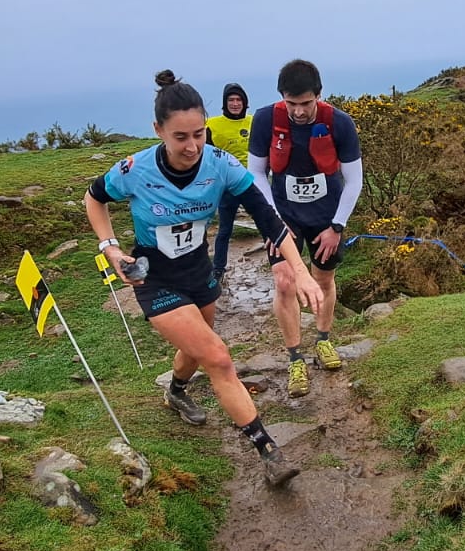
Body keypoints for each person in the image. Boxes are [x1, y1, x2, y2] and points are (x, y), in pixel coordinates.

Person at [85, 70, 324, 487]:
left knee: (197, 353)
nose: (192, 146)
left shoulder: (219, 166)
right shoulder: (134, 170)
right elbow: (94, 199)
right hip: (155, 279)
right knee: (218, 357)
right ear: (158, 130)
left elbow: (269, 219)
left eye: (198, 133)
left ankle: (176, 390)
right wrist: (111, 247)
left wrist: (300, 272)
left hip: (197, 270)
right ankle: (268, 451)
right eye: (180, 137)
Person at [247, 59, 363, 397]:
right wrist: (272, 219)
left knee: (323, 278)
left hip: (327, 215)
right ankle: (295, 357)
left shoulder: (340, 123)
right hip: (283, 214)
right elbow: (256, 172)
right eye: (291, 103)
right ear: (282, 97)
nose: (298, 111)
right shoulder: (266, 119)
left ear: (319, 96)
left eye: (306, 103)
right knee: (285, 282)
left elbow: (354, 180)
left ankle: (324, 340)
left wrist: (337, 227)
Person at [205, 83, 253, 282]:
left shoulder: (254, 122)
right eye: (231, 100)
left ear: (245, 102)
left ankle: (278, 263)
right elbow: (205, 155)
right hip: (225, 185)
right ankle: (218, 269)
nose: (235, 104)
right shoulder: (212, 125)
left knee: (268, 225)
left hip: (251, 182)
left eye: (238, 100)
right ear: (225, 103)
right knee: (225, 229)